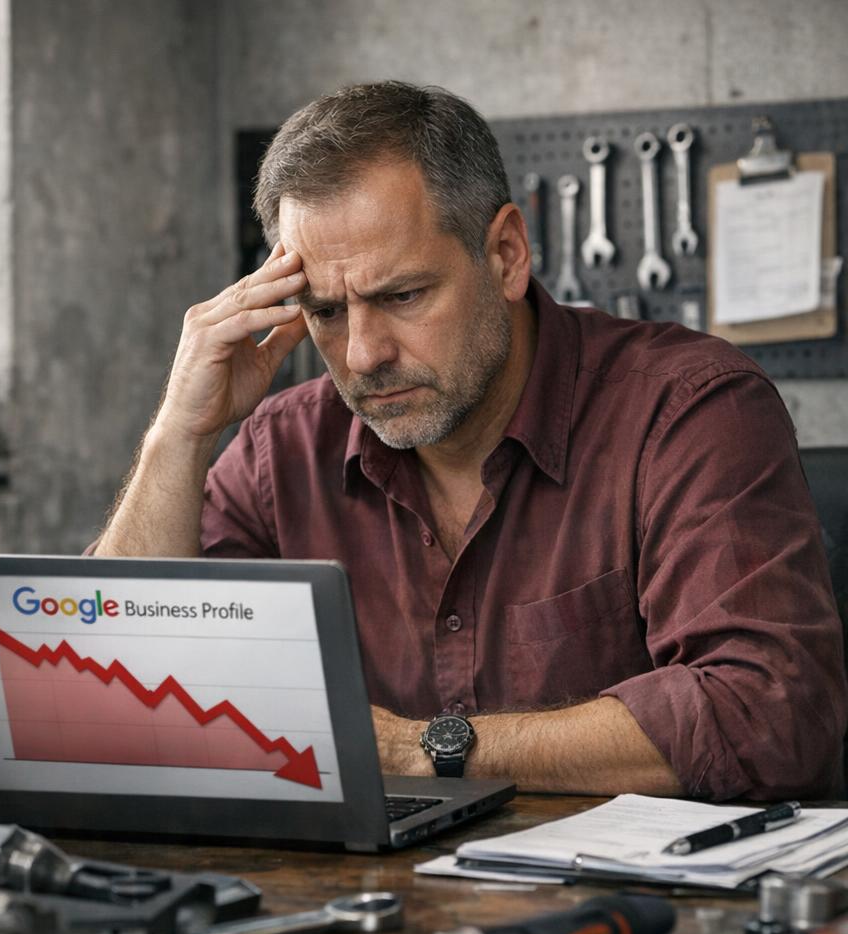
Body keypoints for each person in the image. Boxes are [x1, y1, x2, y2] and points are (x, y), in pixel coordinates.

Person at [94, 81, 847, 800]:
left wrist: (423, 752)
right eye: (324, 312)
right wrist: (179, 435)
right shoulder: (278, 451)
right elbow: (108, 691)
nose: (362, 355)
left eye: (402, 296)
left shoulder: (687, 412)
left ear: (507, 254)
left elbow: (768, 713)